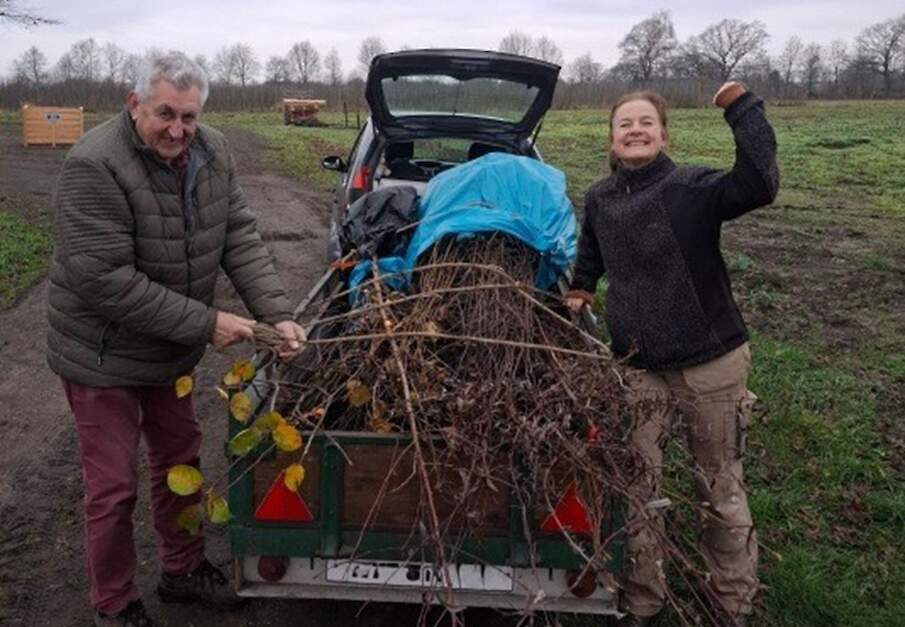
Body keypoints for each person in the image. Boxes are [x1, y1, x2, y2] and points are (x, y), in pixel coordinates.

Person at [46, 52, 306, 627]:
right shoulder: (95, 164)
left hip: (169, 353)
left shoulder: (212, 150)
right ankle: (114, 604)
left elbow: (237, 232)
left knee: (180, 462)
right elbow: (104, 281)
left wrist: (277, 314)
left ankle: (182, 570)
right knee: (113, 488)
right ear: (134, 102)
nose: (177, 130)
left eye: (188, 117)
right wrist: (208, 322)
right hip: (102, 354)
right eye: (166, 113)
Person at [564, 82, 778, 627]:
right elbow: (592, 248)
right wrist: (582, 286)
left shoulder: (693, 187)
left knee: (718, 484)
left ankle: (731, 603)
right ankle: (642, 598)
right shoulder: (601, 198)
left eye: (645, 123)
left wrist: (743, 110)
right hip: (637, 367)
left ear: (663, 134)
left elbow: (758, 184)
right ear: (612, 140)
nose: (634, 131)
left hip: (708, 363)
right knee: (636, 485)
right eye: (624, 125)